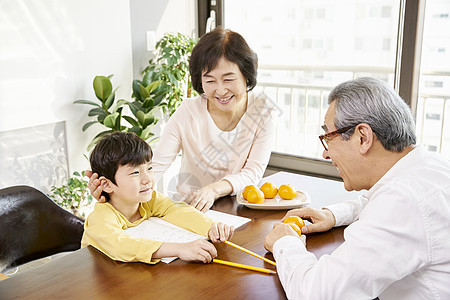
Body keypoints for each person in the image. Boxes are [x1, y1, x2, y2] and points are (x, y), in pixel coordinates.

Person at [264, 77, 450, 299]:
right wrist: (332, 215)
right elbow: (377, 201)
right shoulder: (429, 166)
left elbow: (316, 293)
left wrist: (286, 242)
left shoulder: (402, 202)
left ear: (363, 137)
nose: (325, 153)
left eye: (328, 137)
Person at [88, 27, 277, 212]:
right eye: (210, 81)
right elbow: (157, 164)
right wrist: (113, 192)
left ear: (246, 75)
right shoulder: (188, 112)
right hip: (190, 209)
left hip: (240, 210)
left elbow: (252, 172)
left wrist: (212, 190)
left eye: (228, 79)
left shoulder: (262, 111)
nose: (220, 90)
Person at [81, 131, 234, 265]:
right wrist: (180, 249)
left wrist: (210, 227)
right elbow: (120, 245)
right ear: (106, 185)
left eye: (149, 168)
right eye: (135, 173)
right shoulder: (100, 217)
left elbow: (176, 210)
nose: (148, 179)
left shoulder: (150, 200)